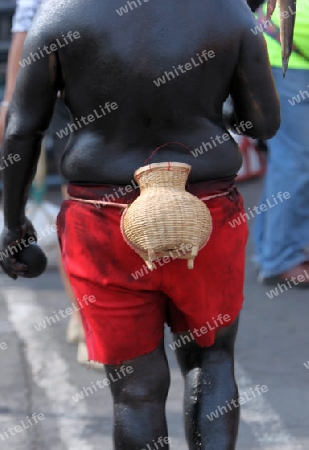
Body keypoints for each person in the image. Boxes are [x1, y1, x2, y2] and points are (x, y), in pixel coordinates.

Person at [0, 0, 282, 448]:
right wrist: (220, 119)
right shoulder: (229, 12)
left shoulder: (59, 14)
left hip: (102, 221)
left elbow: (21, 129)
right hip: (206, 214)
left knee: (135, 391)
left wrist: (13, 225)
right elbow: (263, 122)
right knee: (211, 362)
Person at [0, 0, 93, 365]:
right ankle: (85, 314)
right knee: (82, 202)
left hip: (124, 81)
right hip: (65, 86)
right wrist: (11, 104)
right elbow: (25, 23)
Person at [253, 0, 309, 287]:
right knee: (295, 163)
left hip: (291, 53)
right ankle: (280, 257)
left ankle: (273, 249)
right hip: (288, 57)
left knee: (291, 161)